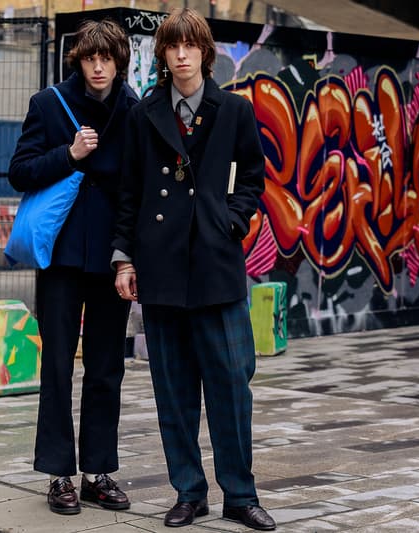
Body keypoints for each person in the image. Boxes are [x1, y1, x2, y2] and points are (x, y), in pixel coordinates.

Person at [112, 8, 276, 531]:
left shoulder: (234, 111)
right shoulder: (146, 113)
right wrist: (124, 259)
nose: (181, 55)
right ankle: (188, 491)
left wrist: (231, 220)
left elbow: (253, 174)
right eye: (172, 46)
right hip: (160, 271)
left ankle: (240, 495)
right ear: (162, 54)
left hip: (216, 265)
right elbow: (130, 193)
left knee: (231, 382)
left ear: (205, 52)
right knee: (174, 390)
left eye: (190, 46)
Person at [8, 18, 138, 516]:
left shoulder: (134, 110)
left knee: (107, 366)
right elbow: (19, 171)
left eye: (107, 58)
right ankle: (60, 474)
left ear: (119, 60)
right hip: (60, 256)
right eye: (90, 58)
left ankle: (99, 472)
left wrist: (131, 256)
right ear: (79, 60)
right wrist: (69, 154)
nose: (99, 67)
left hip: (111, 258)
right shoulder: (48, 104)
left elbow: (138, 189)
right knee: (58, 362)